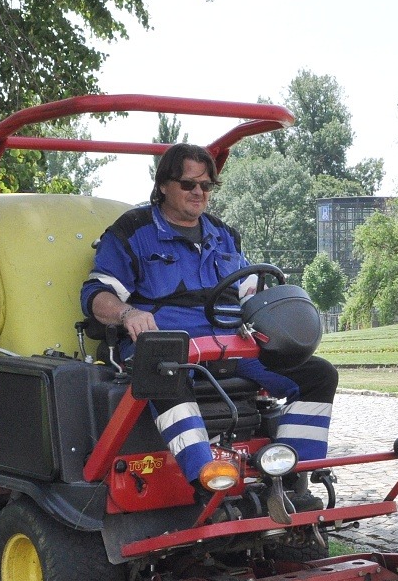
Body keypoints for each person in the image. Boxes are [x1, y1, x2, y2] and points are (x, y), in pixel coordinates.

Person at [80, 143, 339, 487]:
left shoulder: (224, 236)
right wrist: (128, 314)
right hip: (166, 348)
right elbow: (96, 294)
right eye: (189, 184)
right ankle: (207, 481)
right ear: (163, 186)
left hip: (231, 345)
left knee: (318, 375)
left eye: (206, 186)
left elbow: (250, 291)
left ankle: (290, 476)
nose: (199, 192)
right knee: (165, 373)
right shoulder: (133, 232)